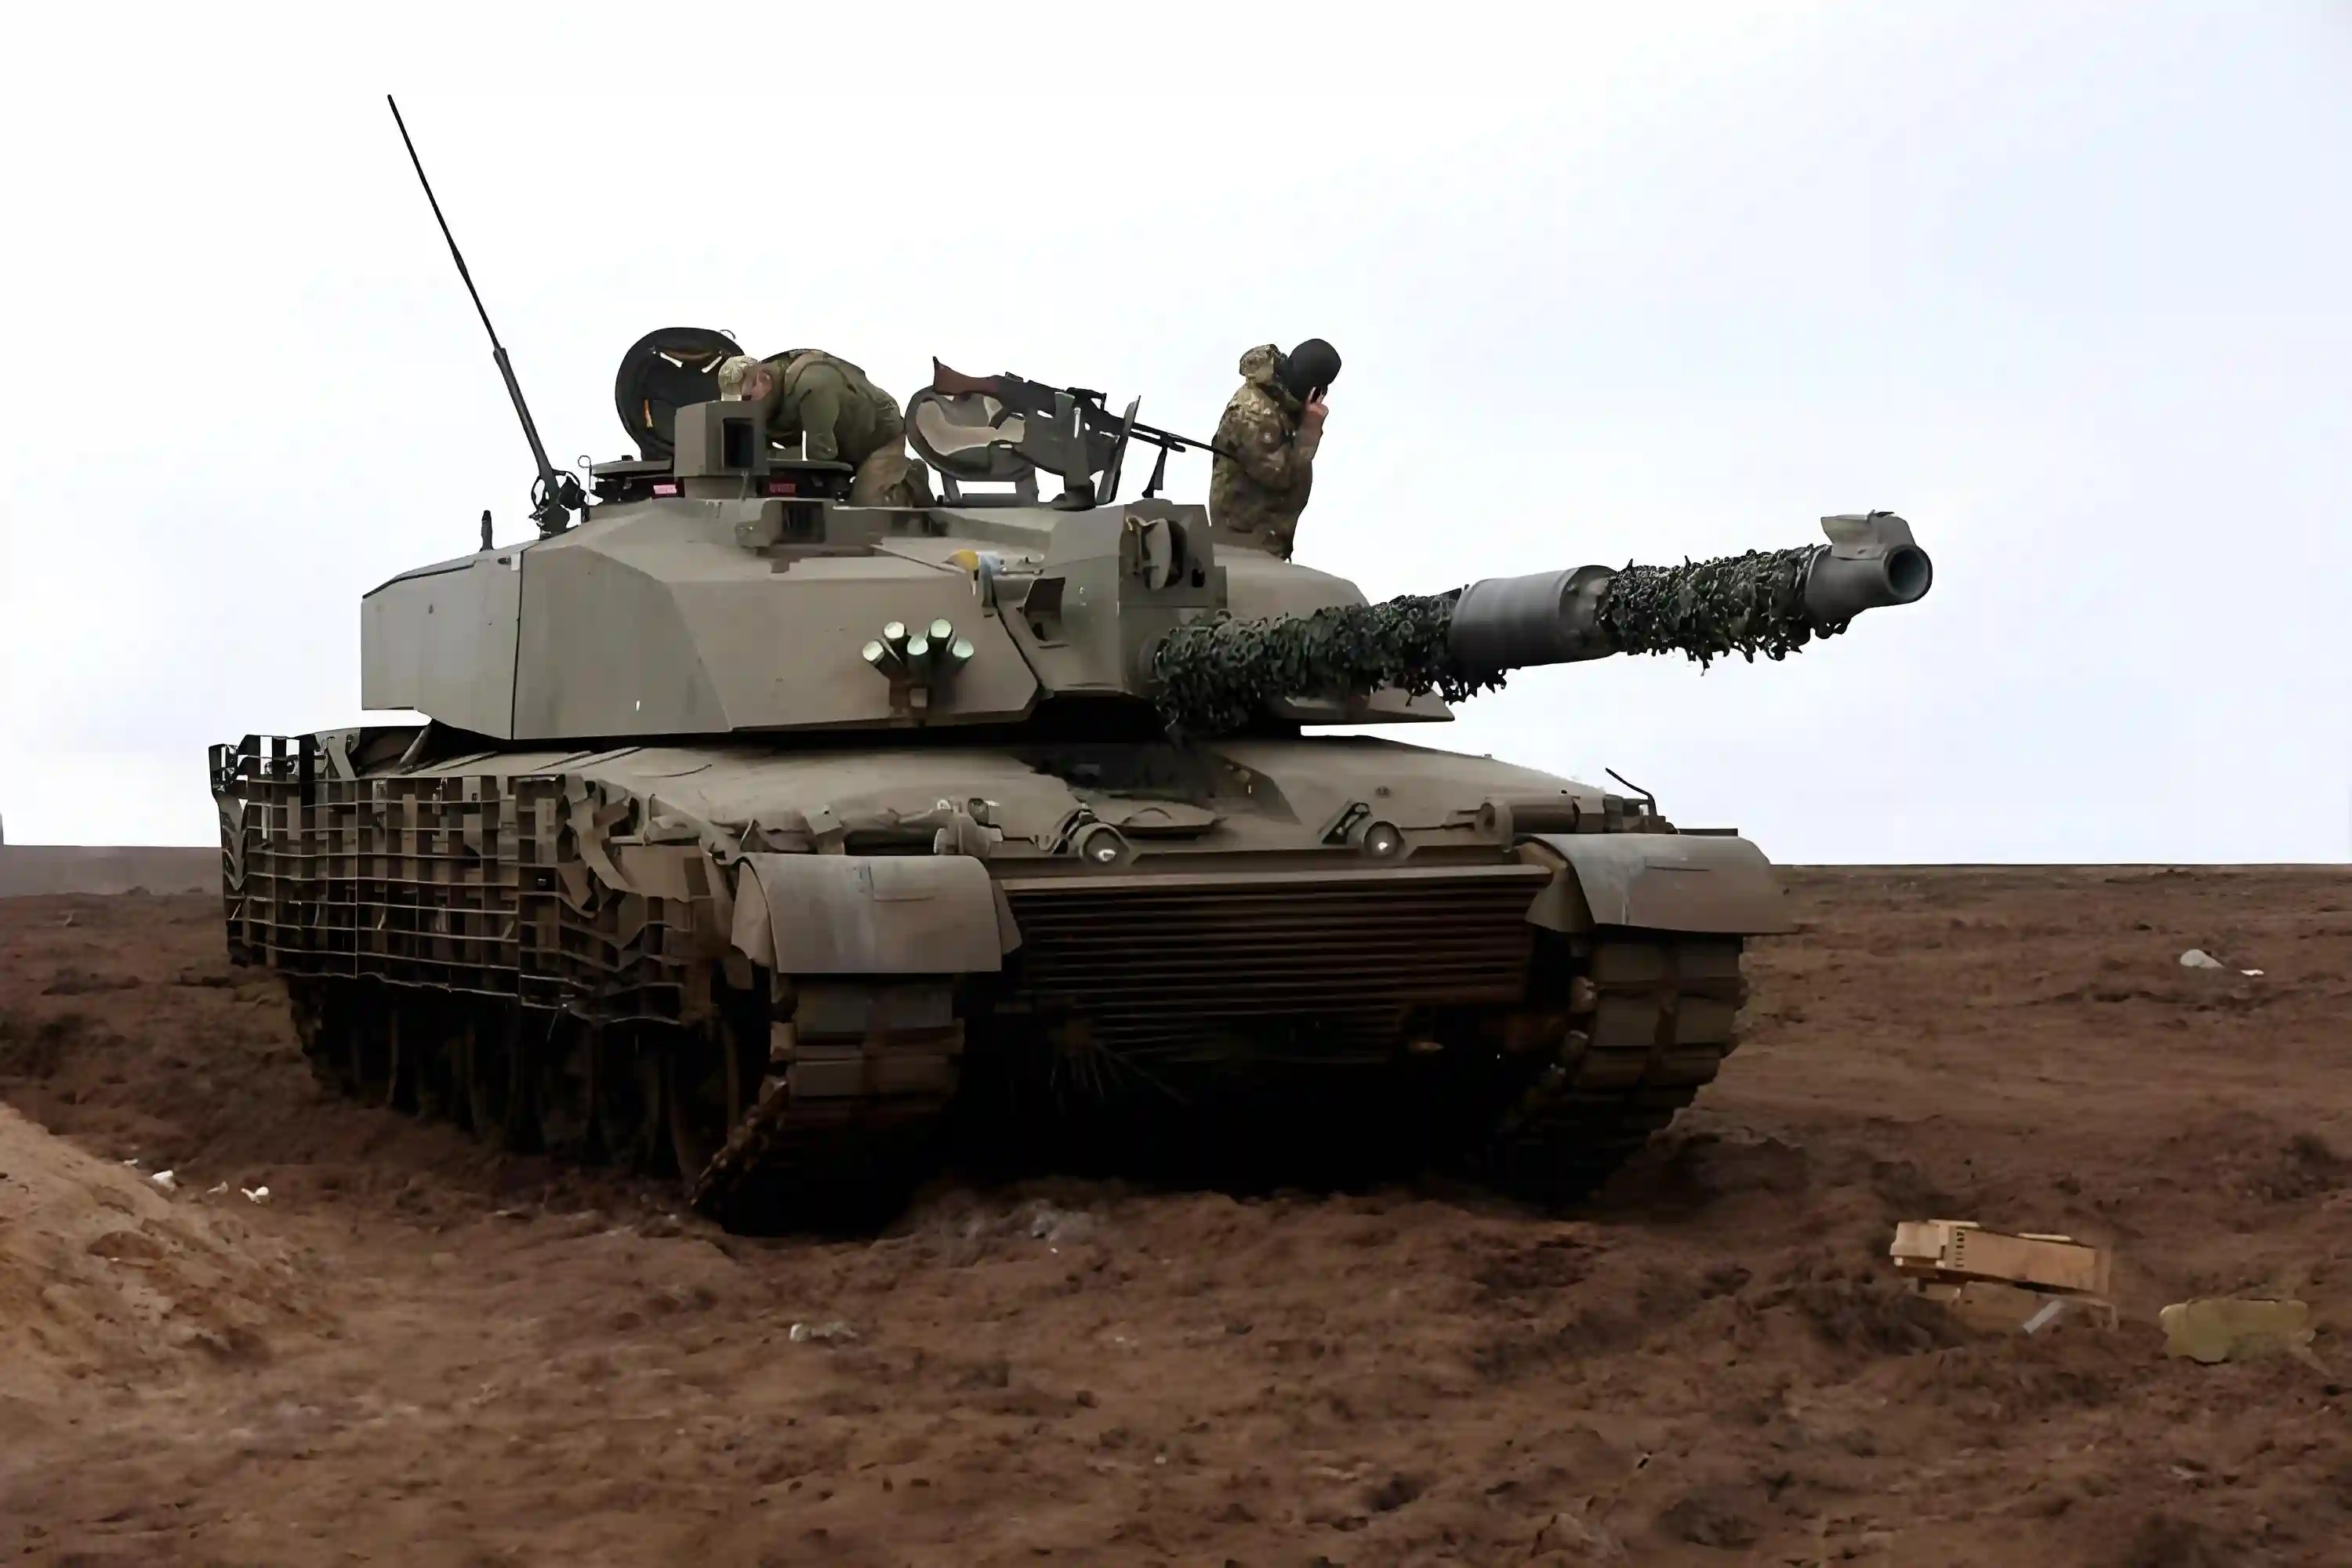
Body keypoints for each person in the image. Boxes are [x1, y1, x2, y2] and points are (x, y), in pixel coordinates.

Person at [716, 350, 933, 507]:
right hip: (840, 443)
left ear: (763, 380)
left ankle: (910, 480)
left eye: (746, 399)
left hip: (877, 436)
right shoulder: (765, 399)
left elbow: (820, 454)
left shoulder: (813, 384)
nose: (743, 408)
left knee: (869, 507)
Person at [1207, 338, 1340, 558]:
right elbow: (1283, 478)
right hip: (1242, 543)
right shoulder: (1253, 414)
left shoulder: (1281, 400)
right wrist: (1309, 432)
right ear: (1313, 388)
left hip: (1262, 542)